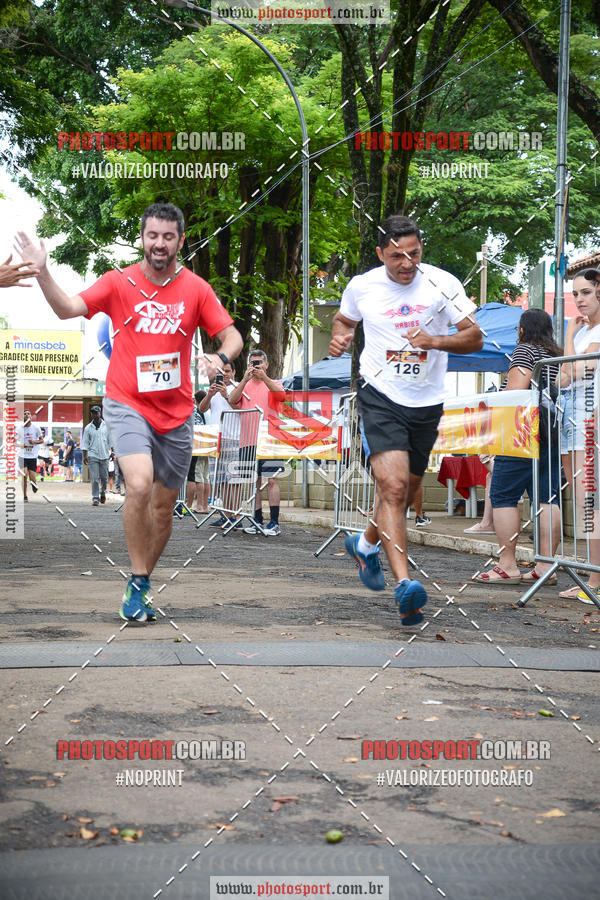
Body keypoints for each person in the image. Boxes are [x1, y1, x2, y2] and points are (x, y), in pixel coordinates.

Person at [16, 201, 242, 622]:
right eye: (152, 235)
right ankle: (138, 579)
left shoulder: (196, 288)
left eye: (168, 237)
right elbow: (67, 308)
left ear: (180, 240)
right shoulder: (118, 283)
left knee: (164, 510)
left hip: (176, 413)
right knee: (138, 484)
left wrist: (220, 357)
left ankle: (139, 585)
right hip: (127, 402)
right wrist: (43, 271)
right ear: (142, 238)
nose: (159, 243)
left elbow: (233, 336)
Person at [329, 214, 482, 625]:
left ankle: (364, 544)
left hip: (426, 402)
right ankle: (405, 586)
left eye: (413, 253)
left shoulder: (442, 283)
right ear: (381, 253)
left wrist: (435, 340)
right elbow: (344, 319)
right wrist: (340, 335)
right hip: (380, 394)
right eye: (397, 256)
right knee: (394, 488)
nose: (407, 263)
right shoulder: (362, 286)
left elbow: (474, 336)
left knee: (408, 487)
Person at [473, 309, 562, 586]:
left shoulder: (525, 351)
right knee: (547, 498)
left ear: (522, 330)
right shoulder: (556, 355)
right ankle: (545, 566)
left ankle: (507, 565)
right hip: (551, 433)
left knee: (503, 495)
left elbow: (516, 392)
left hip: (521, 432)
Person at [557, 268, 600, 603]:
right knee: (583, 501)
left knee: (591, 501)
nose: (579, 300)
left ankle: (595, 579)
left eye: (585, 292)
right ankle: (591, 575)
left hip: (589, 420)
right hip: (572, 419)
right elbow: (562, 378)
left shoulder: (592, 332)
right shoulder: (584, 332)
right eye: (575, 294)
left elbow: (578, 369)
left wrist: (569, 336)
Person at [228, 349, 286, 536]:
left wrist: (264, 378)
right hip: (248, 440)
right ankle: (257, 520)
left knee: (272, 479)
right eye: (252, 362)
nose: (256, 366)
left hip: (269, 440)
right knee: (254, 482)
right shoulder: (244, 385)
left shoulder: (274, 383)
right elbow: (232, 400)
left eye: (259, 362)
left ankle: (274, 522)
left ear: (266, 365)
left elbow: (282, 396)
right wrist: (244, 379)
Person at [199, 361, 238, 526]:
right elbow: (202, 409)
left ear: (234, 372)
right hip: (216, 440)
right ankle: (226, 515)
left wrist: (226, 395)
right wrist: (209, 395)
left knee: (234, 480)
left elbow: (240, 407)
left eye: (227, 371)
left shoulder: (238, 388)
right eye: (221, 372)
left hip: (233, 438)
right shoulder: (214, 390)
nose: (225, 375)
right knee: (221, 480)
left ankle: (235, 516)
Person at [81, 405, 111, 506]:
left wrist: (113, 452)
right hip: (93, 455)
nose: (94, 415)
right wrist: (84, 455)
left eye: (96, 413)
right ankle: (95, 498)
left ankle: (102, 492)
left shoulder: (106, 426)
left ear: (100, 413)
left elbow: (110, 440)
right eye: (92, 413)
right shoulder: (88, 428)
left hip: (105, 455)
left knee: (104, 478)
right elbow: (85, 442)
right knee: (94, 478)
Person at [186, 390, 210, 513]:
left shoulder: (195, 410)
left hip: (198, 446)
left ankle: (197, 505)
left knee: (196, 477)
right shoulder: (208, 411)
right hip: (209, 445)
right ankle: (205, 505)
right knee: (205, 476)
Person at [16, 409, 43, 501]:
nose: (26, 415)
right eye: (24, 414)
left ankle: (34, 484)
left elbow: (41, 440)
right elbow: (13, 442)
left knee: (32, 478)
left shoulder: (36, 428)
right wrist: (21, 445)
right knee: (24, 476)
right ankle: (24, 496)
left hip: (32, 456)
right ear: (22, 417)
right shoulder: (19, 429)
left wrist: (34, 442)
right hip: (22, 456)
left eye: (28, 413)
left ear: (31, 416)